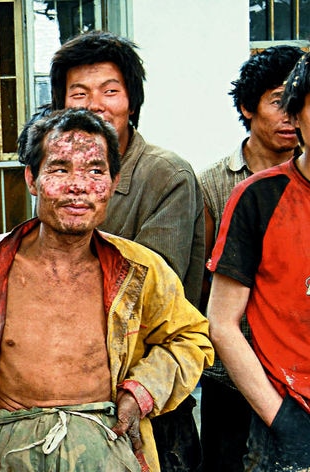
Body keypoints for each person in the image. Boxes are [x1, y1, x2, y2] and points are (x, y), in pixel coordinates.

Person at [0, 107, 213, 472]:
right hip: (6, 450)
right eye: (60, 169)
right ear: (32, 179)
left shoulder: (141, 272)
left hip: (107, 440)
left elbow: (190, 339)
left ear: (113, 182)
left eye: (95, 171)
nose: (78, 186)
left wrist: (140, 392)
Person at [49, 30, 207, 471]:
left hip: (148, 396)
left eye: (110, 91)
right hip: (78, 399)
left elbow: (148, 297)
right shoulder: (58, 173)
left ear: (132, 102)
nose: (95, 104)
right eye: (78, 93)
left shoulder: (166, 174)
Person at [196, 45, 303, 472]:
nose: (289, 116)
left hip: (297, 379)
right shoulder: (213, 184)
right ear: (247, 106)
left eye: (296, 103)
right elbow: (202, 285)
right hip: (230, 379)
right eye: (278, 101)